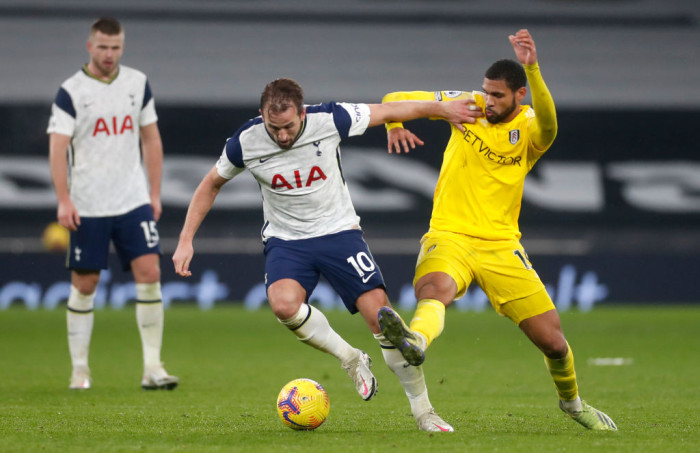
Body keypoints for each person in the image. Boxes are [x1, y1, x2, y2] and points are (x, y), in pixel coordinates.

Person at [172, 78, 480, 431]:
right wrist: (185, 240)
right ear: (262, 116)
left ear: (302, 113)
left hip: (339, 235)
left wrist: (441, 109)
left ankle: (424, 413)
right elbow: (210, 183)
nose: (283, 135)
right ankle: (350, 358)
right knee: (283, 305)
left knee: (383, 319)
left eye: (289, 126)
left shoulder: (330, 119)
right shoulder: (245, 141)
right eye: (275, 128)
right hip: (287, 241)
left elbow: (389, 110)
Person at [377, 29, 617, 431]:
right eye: (486, 92)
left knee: (554, 343)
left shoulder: (530, 131)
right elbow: (394, 99)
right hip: (449, 234)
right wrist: (394, 125)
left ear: (519, 95)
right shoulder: (465, 105)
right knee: (435, 288)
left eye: (498, 96)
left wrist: (532, 67)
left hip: (502, 246)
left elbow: (552, 124)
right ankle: (415, 342)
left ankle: (573, 404)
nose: (488, 101)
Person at [47, 18, 178, 391]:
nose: (109, 54)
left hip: (132, 200)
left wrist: (154, 193)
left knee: (150, 273)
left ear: (122, 47)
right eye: (103, 47)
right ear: (90, 47)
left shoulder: (137, 84)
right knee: (86, 282)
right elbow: (58, 147)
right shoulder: (70, 91)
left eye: (116, 47)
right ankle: (80, 371)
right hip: (88, 203)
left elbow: (151, 140)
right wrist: (64, 199)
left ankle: (153, 367)